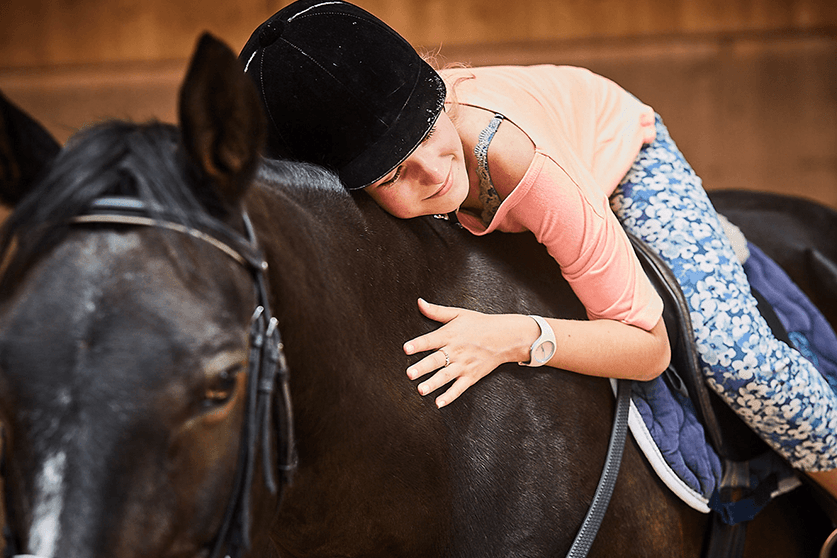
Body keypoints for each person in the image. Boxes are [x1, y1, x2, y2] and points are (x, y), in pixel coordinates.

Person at [239, 0, 837, 501]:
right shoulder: (396, 177)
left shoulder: (529, 162)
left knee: (733, 354)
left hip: (623, 160)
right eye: (392, 173)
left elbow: (649, 347)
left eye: (425, 130)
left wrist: (513, 337)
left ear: (436, 89)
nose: (431, 172)